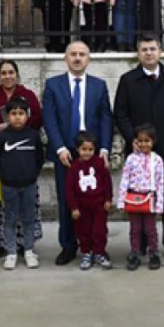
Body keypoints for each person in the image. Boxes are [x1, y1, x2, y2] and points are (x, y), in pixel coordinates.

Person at [113, 34, 164, 260]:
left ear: (160, 51)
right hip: (139, 155)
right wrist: (133, 139)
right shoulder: (128, 80)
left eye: (152, 49)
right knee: (140, 199)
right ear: (138, 53)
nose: (149, 53)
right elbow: (120, 113)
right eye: (144, 49)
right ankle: (141, 244)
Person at [41, 41, 113, 266]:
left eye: (82, 54)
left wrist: (104, 149)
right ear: (66, 58)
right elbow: (49, 119)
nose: (78, 58)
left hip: (92, 152)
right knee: (67, 201)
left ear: (88, 59)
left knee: (96, 203)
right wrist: (60, 147)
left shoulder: (99, 86)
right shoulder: (53, 85)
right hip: (66, 152)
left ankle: (96, 246)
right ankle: (68, 246)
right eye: (73, 54)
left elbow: (105, 118)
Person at [0, 60, 44, 257]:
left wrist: (19, 125)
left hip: (23, 158)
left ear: (17, 74)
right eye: (4, 73)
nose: (7, 76)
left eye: (11, 72)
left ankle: (25, 243)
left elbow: (38, 119)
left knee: (24, 206)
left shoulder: (28, 95)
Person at [0, 97, 45, 271]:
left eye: (21, 113)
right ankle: (11, 253)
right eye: (13, 113)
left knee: (29, 219)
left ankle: (29, 250)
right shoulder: (2, 137)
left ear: (27, 115)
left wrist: (32, 176)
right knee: (10, 219)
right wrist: (5, 177)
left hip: (29, 185)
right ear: (7, 116)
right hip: (8, 186)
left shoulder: (33, 136)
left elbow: (39, 159)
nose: (17, 117)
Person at [117, 124, 164, 271]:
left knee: (150, 229)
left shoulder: (157, 160)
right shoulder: (131, 159)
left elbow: (160, 183)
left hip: (149, 199)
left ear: (153, 141)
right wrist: (121, 200)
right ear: (136, 141)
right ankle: (135, 253)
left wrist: (159, 205)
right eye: (140, 140)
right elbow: (124, 179)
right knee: (135, 229)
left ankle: (154, 253)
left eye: (147, 140)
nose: (144, 144)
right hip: (133, 199)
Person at [65, 131, 113, 271]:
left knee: (99, 230)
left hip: (99, 204)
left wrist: (108, 199)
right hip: (81, 206)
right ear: (77, 149)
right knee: (83, 230)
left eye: (90, 149)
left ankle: (99, 252)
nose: (87, 153)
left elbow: (107, 183)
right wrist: (73, 207)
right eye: (84, 149)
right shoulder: (74, 167)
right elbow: (69, 189)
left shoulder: (99, 164)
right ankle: (86, 253)